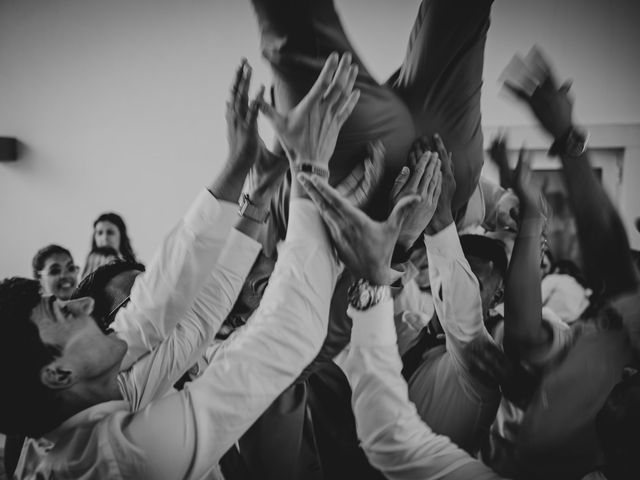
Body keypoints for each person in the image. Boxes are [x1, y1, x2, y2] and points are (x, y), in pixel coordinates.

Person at [0, 52, 363, 479]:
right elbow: (288, 333)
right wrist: (309, 167)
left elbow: (170, 314)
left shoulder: (92, 398)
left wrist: (251, 182)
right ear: (58, 373)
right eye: (64, 313)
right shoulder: (115, 459)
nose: (80, 304)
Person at [296, 154, 504, 479]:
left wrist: (439, 223)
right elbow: (357, 328)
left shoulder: (482, 367)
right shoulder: (408, 325)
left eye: (474, 279)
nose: (451, 282)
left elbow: (462, 322)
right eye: (450, 272)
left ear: (498, 299)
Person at [500, 46, 640, 479]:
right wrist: (529, 219)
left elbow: (612, 256)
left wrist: (568, 139)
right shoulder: (620, 317)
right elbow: (527, 337)